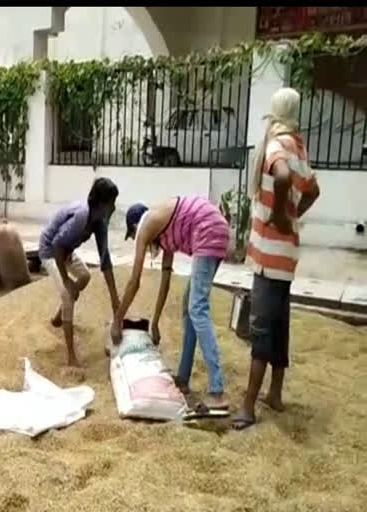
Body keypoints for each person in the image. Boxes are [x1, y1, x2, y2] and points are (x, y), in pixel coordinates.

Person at [232, 87, 320, 430]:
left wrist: (281, 218)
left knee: (262, 329)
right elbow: (313, 189)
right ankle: (275, 394)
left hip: (270, 252)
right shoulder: (298, 146)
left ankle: (248, 406)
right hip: (288, 254)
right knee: (280, 325)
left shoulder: (276, 144)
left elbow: (281, 176)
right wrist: (294, 213)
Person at [110, 195, 230, 409]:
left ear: (135, 227)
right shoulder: (164, 229)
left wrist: (117, 320)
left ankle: (217, 391)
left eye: (133, 234)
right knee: (189, 306)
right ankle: (183, 378)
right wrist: (154, 322)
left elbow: (134, 281)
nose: (142, 245)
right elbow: (165, 279)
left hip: (207, 230)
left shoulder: (147, 225)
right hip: (215, 228)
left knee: (197, 308)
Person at [39, 177, 121, 367]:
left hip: (65, 251)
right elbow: (57, 244)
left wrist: (115, 299)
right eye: (112, 204)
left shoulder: (99, 222)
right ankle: (70, 356)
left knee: (84, 276)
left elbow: (105, 260)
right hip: (50, 250)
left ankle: (59, 317)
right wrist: (66, 279)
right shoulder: (81, 218)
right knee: (68, 295)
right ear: (100, 204)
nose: (114, 208)